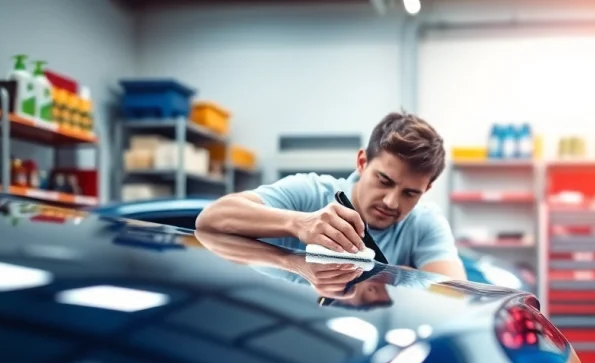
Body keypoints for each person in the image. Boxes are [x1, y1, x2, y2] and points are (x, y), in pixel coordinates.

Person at [196, 111, 466, 281]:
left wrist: (387, 278)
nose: (391, 202)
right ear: (362, 162)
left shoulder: (424, 222)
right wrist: (299, 225)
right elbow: (211, 219)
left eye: (410, 193)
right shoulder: (310, 192)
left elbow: (455, 293)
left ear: (426, 190)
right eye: (384, 180)